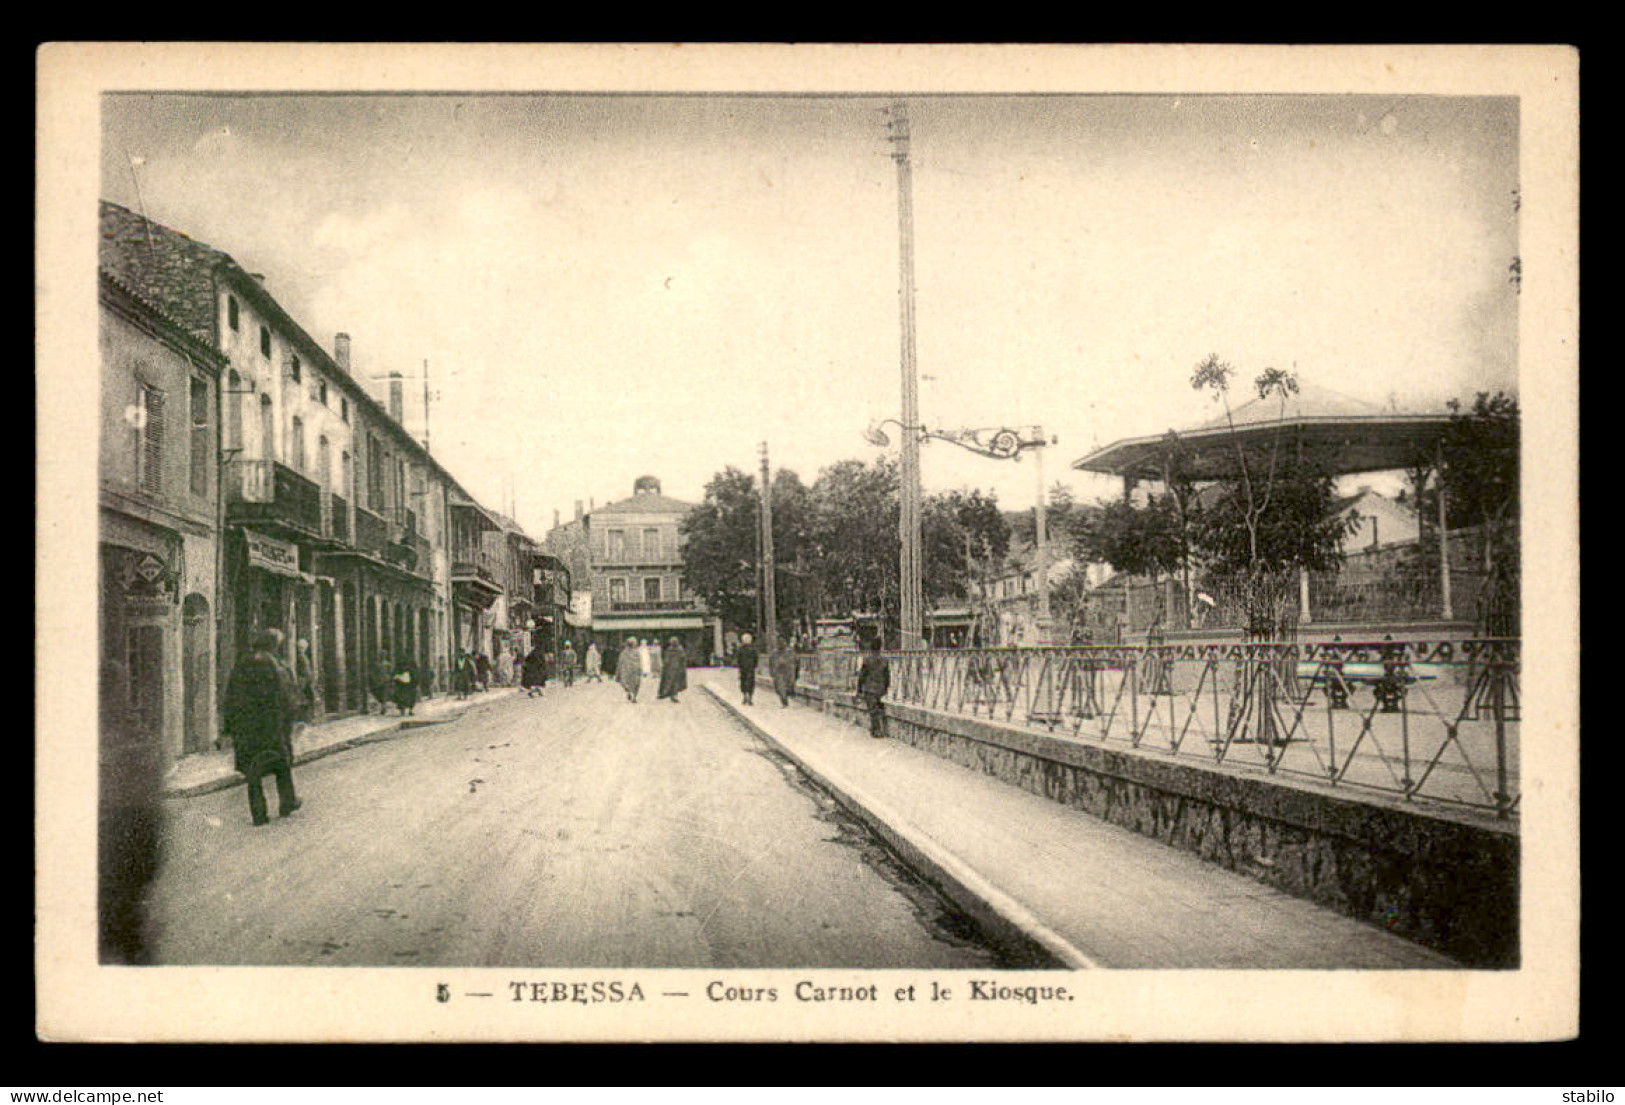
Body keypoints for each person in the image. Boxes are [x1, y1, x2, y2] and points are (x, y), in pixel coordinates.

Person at [222, 629, 302, 826]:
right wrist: (290, 719)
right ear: (273, 645)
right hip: (271, 725)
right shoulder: (276, 666)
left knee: (253, 771)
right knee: (281, 763)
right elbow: (287, 697)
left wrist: (230, 727)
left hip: (246, 727)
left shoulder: (241, 665)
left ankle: (259, 814)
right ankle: (287, 802)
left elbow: (230, 697)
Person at [857, 635, 891, 739]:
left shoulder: (867, 660)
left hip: (869, 688)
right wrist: (886, 687)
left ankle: (877, 731)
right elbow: (887, 676)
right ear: (880, 647)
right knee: (879, 709)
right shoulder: (885, 659)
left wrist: (859, 689)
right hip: (880, 688)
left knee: (873, 710)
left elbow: (862, 675)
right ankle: (879, 729)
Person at [293, 637, 317, 731]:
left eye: (303, 647)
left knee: (308, 699)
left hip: (306, 680)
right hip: (302, 680)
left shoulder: (304, 656)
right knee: (302, 699)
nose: (302, 649)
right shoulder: (298, 657)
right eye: (300, 647)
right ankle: (302, 720)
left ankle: (307, 719)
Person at [769, 641, 800, 708]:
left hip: (787, 673)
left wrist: (796, 672)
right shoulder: (774, 653)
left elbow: (797, 663)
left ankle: (785, 700)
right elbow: (771, 664)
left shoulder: (790, 652)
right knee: (781, 688)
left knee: (787, 686)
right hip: (779, 673)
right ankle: (784, 701)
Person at [658, 636, 688, 703]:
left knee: (674, 683)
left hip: (675, 669)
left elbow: (682, 659)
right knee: (673, 683)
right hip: (673, 669)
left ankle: (673, 695)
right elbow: (667, 659)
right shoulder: (672, 649)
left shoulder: (677, 649)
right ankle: (672, 695)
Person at [616, 636, 643, 702]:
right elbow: (639, 662)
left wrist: (618, 672)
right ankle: (633, 696)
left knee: (627, 683)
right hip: (633, 671)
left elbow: (620, 662)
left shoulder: (624, 652)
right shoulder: (636, 652)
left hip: (627, 671)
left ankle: (630, 693)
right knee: (635, 684)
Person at [735, 632, 760, 705]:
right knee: (750, 682)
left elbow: (738, 659)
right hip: (750, 668)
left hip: (743, 668)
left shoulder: (740, 649)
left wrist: (739, 666)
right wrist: (754, 666)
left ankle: (745, 695)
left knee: (743, 682)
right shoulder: (753, 649)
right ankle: (750, 697)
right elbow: (756, 658)